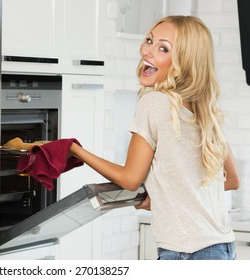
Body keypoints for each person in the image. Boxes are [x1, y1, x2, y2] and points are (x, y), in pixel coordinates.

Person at [68, 15, 240, 260]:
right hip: (223, 249)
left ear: (184, 61)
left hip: (187, 254)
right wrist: (165, 197)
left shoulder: (155, 102)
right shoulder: (203, 111)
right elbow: (232, 180)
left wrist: (75, 150)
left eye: (163, 48)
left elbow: (129, 179)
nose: (147, 51)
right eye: (149, 41)